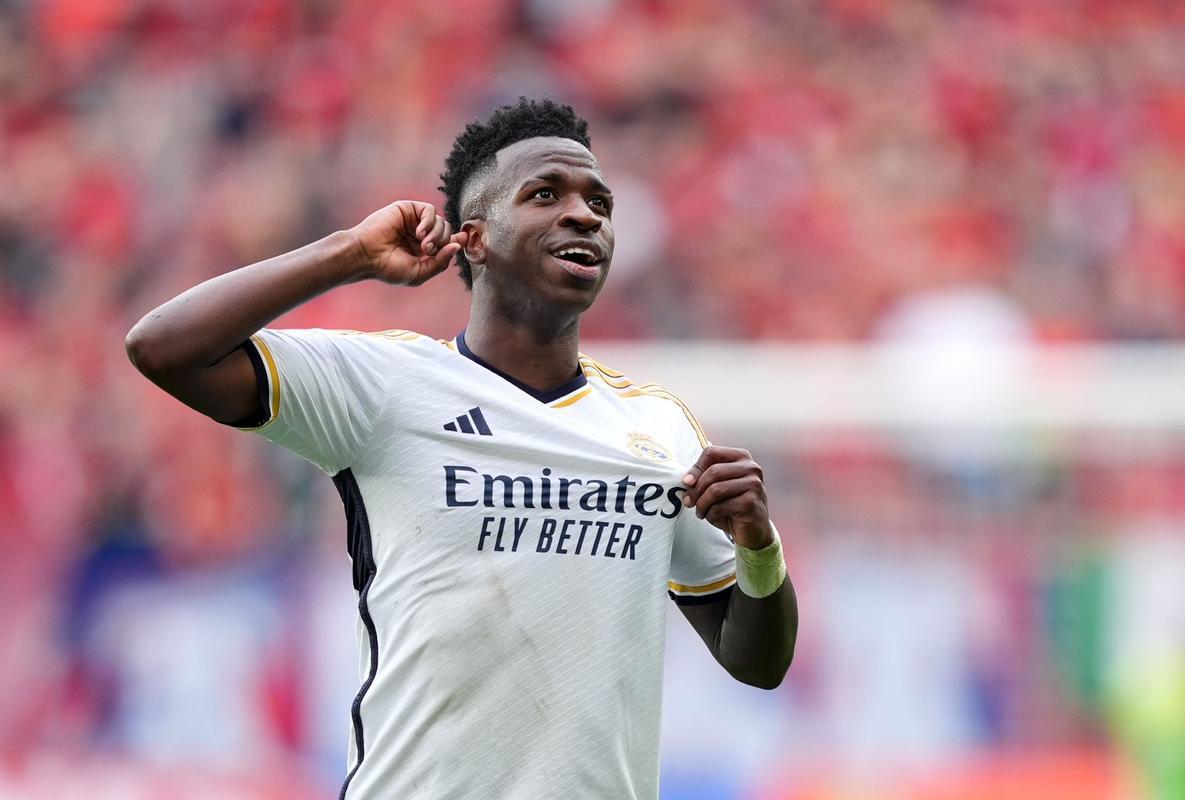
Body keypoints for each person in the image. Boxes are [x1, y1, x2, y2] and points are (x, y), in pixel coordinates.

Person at [126, 97, 798, 800]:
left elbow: (758, 662)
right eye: (546, 195)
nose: (585, 215)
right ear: (473, 240)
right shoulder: (386, 386)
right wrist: (350, 254)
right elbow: (165, 348)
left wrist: (757, 542)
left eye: (600, 202)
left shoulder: (658, 428)